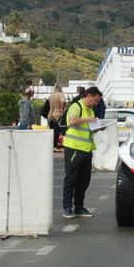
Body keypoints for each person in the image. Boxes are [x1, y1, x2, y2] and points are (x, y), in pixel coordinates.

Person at [61, 86, 103, 219]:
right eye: (95, 100)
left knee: (84, 180)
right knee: (71, 177)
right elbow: (72, 121)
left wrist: (98, 128)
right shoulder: (76, 106)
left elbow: (88, 128)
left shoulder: (90, 110)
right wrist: (88, 120)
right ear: (89, 96)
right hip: (74, 148)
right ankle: (67, 207)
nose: (96, 104)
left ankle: (79, 206)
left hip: (86, 148)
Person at [47, 83, 68, 149]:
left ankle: (51, 146)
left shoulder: (51, 96)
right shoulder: (61, 95)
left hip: (50, 115)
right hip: (58, 115)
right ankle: (55, 146)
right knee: (57, 131)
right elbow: (63, 101)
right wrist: (62, 108)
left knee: (52, 131)